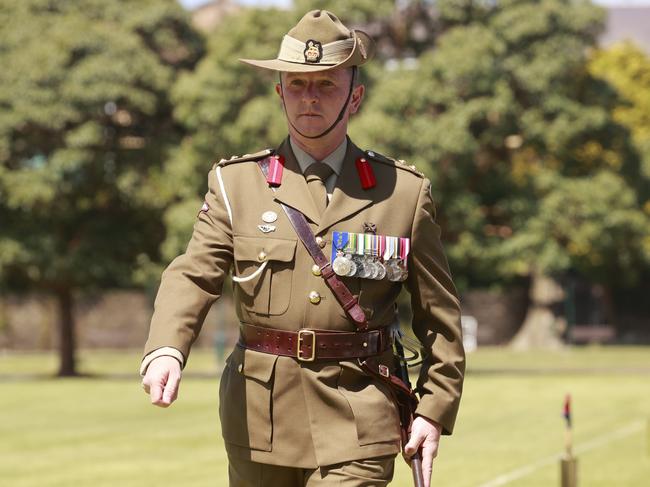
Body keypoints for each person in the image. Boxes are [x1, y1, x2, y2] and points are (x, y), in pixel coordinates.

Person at [141, 9, 465, 487]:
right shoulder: (236, 184)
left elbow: (439, 316)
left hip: (359, 412)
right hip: (259, 418)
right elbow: (194, 273)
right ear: (279, 93)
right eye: (296, 85)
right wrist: (167, 348)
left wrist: (433, 410)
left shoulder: (402, 193)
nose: (308, 98)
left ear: (354, 97)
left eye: (325, 85)